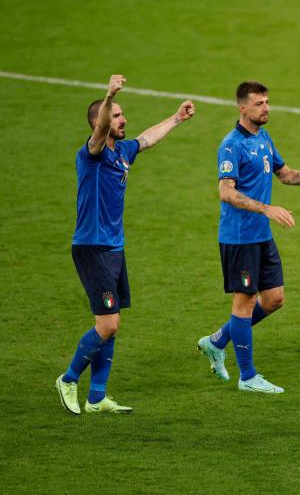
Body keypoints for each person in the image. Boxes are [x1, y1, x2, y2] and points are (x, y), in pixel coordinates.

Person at [56, 75, 196, 414]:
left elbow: (147, 138)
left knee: (112, 322)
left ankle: (97, 397)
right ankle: (69, 379)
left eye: (122, 114)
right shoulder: (93, 153)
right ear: (100, 123)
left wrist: (176, 119)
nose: (123, 120)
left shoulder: (123, 153)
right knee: (108, 324)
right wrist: (109, 96)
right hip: (92, 247)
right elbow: (101, 129)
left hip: (115, 249)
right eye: (116, 116)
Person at [196, 81, 300, 393]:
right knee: (244, 302)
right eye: (259, 103)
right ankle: (247, 377)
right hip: (239, 237)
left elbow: (284, 174)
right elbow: (226, 192)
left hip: (260, 236)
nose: (266, 108)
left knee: (274, 299)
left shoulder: (263, 138)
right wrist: (266, 209)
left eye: (267, 102)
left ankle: (217, 341)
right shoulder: (231, 145)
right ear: (242, 107)